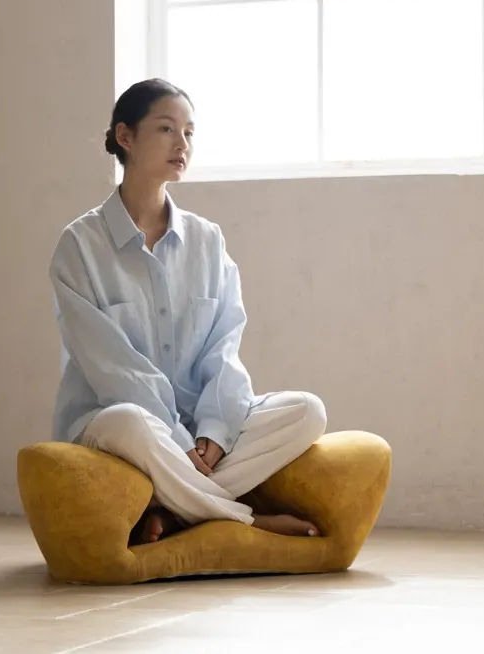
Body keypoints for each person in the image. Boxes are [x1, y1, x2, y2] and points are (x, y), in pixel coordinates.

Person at [49, 78, 327, 545]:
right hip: (117, 425)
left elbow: (225, 346)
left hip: (198, 430)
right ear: (125, 137)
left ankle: (175, 512)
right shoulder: (79, 246)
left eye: (190, 133)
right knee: (131, 420)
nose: (182, 144)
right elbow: (113, 370)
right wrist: (178, 440)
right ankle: (245, 520)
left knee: (306, 411)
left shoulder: (207, 241)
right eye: (166, 129)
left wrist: (214, 432)